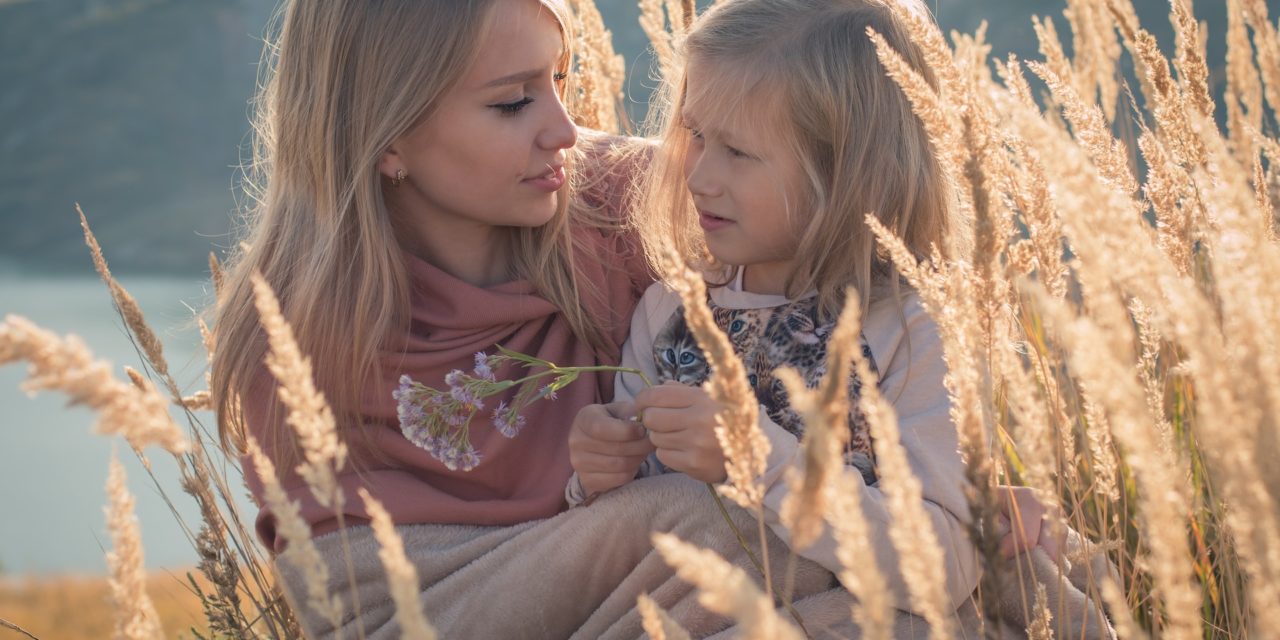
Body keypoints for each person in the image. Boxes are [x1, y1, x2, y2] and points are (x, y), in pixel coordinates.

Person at [212, 0, 1071, 637]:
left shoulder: (625, 201)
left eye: (561, 81)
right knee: (697, 519)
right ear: (386, 137)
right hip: (435, 596)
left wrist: (938, 482)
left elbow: (833, 246)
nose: (564, 128)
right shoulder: (292, 330)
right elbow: (344, 597)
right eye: (514, 102)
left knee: (1018, 569)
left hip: (675, 560)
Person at [567, 0, 1112, 636]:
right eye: (695, 134)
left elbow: (942, 567)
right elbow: (636, 530)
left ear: (847, 169)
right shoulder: (672, 310)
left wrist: (754, 455)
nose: (700, 174)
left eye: (739, 151)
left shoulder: (911, 331)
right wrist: (595, 474)